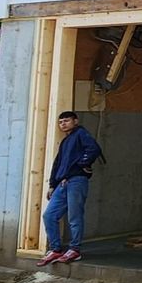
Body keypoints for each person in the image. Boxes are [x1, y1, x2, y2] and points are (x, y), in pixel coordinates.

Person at [42, 111, 103, 265]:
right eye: (61, 121)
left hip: (76, 181)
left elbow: (94, 149)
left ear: (75, 121)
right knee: (49, 215)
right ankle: (56, 249)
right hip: (62, 183)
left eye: (67, 121)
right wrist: (52, 185)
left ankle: (75, 250)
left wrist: (82, 165)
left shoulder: (81, 133)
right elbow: (57, 164)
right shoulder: (65, 141)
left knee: (74, 216)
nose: (63, 124)